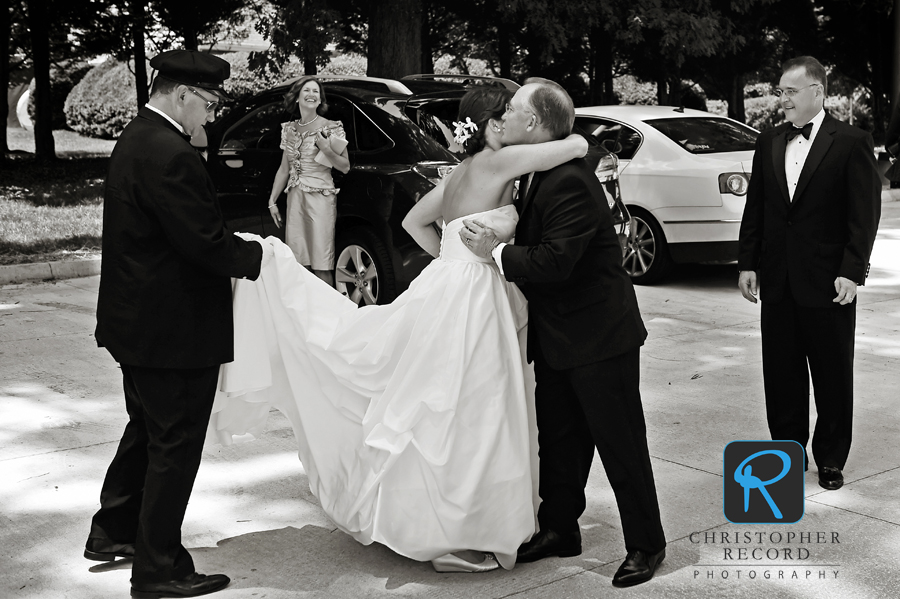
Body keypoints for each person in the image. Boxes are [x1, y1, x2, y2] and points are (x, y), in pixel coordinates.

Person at [206, 86, 588, 573]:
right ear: (491, 125)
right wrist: (478, 260)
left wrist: (454, 257)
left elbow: (415, 222)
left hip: (449, 284)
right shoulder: (496, 164)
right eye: (506, 114)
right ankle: (468, 523)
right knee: (473, 406)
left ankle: (449, 517)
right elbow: (574, 146)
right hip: (474, 295)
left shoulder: (461, 171)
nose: (511, 121)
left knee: (446, 401)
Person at [460, 78, 667, 588]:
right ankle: (559, 529)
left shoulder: (570, 179)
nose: (502, 116)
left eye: (511, 110)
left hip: (599, 334)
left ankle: (647, 544)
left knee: (620, 443)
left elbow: (556, 261)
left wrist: (496, 251)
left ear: (532, 123)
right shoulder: (536, 171)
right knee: (558, 439)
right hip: (556, 335)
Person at [87, 49, 272, 599]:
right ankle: (159, 568)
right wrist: (263, 258)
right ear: (182, 93)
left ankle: (114, 531)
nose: (212, 114)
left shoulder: (138, 136)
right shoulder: (170, 152)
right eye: (210, 103)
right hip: (171, 331)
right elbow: (204, 242)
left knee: (147, 428)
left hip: (137, 322)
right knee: (175, 444)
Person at [737, 56, 881, 491]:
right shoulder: (769, 141)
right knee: (781, 374)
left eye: (790, 92)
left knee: (833, 373)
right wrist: (748, 262)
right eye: (779, 91)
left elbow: (864, 214)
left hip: (828, 282)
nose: (782, 100)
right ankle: (787, 451)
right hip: (778, 279)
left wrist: (852, 272)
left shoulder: (852, 141)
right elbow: (757, 206)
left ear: (817, 92)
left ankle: (831, 457)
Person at [267, 76, 350, 286]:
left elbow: (345, 166)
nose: (312, 95)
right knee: (298, 263)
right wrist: (272, 201)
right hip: (295, 199)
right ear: (297, 97)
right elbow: (283, 169)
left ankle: (330, 315)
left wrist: (326, 148)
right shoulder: (289, 129)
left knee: (322, 264)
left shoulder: (330, 127)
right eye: (307, 90)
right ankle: (305, 315)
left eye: (316, 92)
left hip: (321, 198)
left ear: (320, 100)